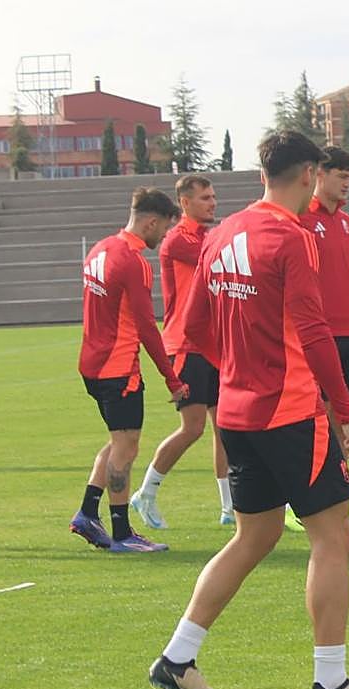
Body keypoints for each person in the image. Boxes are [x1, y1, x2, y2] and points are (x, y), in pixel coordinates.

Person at [148, 131, 349, 689]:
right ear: (309, 173)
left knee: (254, 535)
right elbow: (313, 332)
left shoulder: (221, 234)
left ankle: (178, 658)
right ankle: (331, 682)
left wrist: (234, 372)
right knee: (334, 535)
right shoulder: (292, 235)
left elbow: (194, 326)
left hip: (235, 412)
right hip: (289, 411)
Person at [70, 187, 189, 553]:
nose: (164, 236)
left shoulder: (100, 249)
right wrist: (172, 378)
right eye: (165, 229)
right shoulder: (133, 260)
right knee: (126, 446)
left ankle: (88, 513)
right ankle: (122, 532)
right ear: (152, 221)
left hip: (92, 362)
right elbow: (145, 326)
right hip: (117, 367)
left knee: (117, 442)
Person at [130, 175, 235, 530]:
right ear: (185, 203)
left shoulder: (208, 236)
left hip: (214, 345)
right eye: (205, 197)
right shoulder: (177, 240)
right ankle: (146, 492)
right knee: (192, 429)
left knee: (225, 427)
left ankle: (229, 507)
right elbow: (216, 258)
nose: (212, 202)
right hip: (186, 346)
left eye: (214, 196)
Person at [293, 145, 349, 533]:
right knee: (315, 422)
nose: (347, 184)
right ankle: (294, 502)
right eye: (341, 176)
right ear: (318, 175)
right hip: (317, 333)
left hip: (348, 333)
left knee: (341, 424)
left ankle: (339, 503)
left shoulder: (347, 223)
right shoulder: (300, 221)